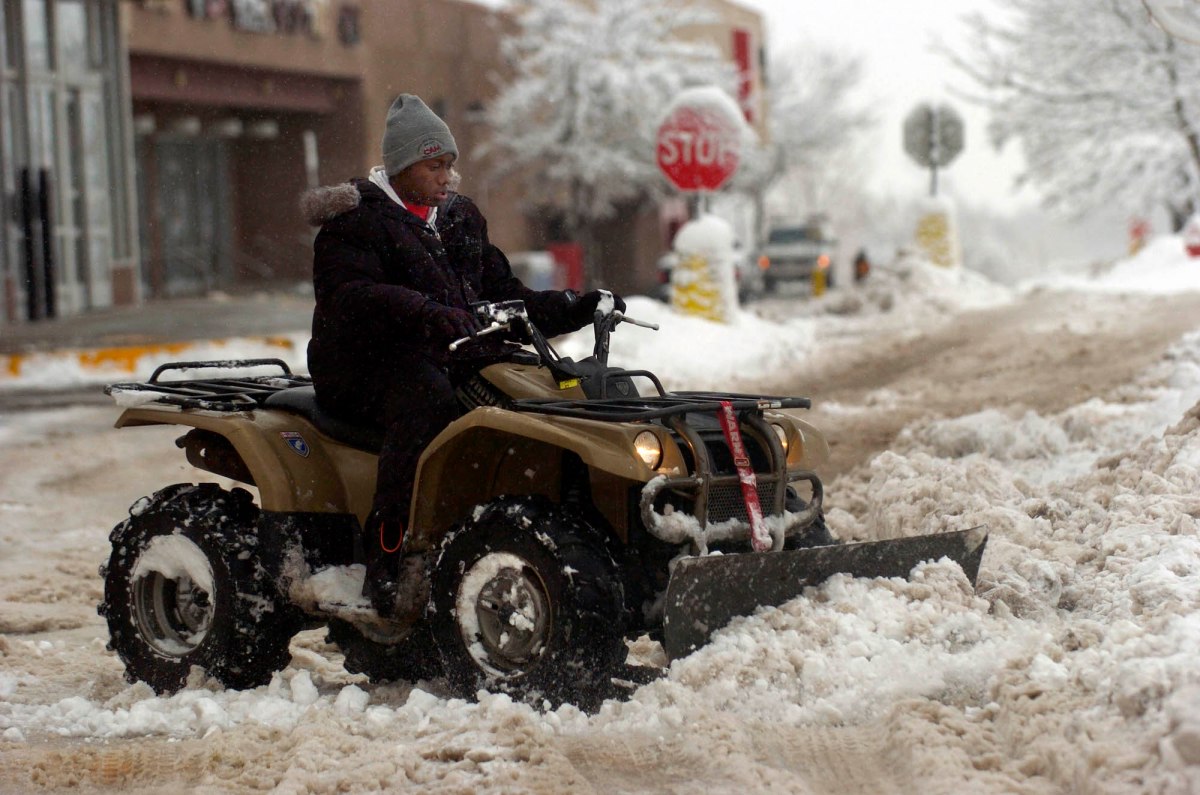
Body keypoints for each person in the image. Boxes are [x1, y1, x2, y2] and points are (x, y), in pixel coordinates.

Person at [301, 93, 624, 615]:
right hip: (365, 365)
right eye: (435, 165)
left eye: (450, 165)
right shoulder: (354, 222)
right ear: (404, 165)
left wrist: (576, 306)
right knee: (427, 399)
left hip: (451, 352)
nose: (447, 177)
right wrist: (424, 311)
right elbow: (348, 298)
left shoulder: (459, 219)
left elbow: (504, 293)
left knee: (539, 389)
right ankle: (389, 562)